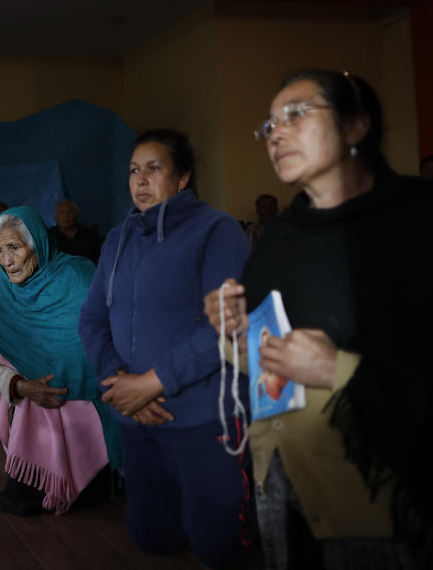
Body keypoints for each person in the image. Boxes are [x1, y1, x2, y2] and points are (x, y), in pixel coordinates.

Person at [205, 70, 433, 569]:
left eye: (296, 114)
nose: (277, 134)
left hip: (382, 496)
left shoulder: (421, 223)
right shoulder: (279, 239)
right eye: (268, 125)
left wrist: (338, 370)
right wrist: (233, 331)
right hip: (285, 476)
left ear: (356, 127)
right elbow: (264, 353)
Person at [78, 129, 253, 568]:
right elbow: (92, 319)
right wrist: (122, 386)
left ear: (183, 179)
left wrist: (152, 383)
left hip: (201, 417)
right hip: (137, 421)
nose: (140, 180)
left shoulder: (217, 230)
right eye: (134, 171)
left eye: (153, 169)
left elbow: (226, 329)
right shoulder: (117, 240)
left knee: (219, 547)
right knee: (153, 539)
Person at [0, 206, 123, 516]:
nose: (7, 260)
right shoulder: (0, 292)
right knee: (19, 500)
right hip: (34, 402)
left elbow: (112, 343)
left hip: (91, 403)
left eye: (14, 247)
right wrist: (21, 386)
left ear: (37, 244)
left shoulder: (79, 278)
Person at [49, 199, 101, 264]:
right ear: (56, 217)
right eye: (61, 213)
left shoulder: (89, 234)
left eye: (69, 212)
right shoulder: (49, 237)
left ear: (76, 215)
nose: (66, 216)